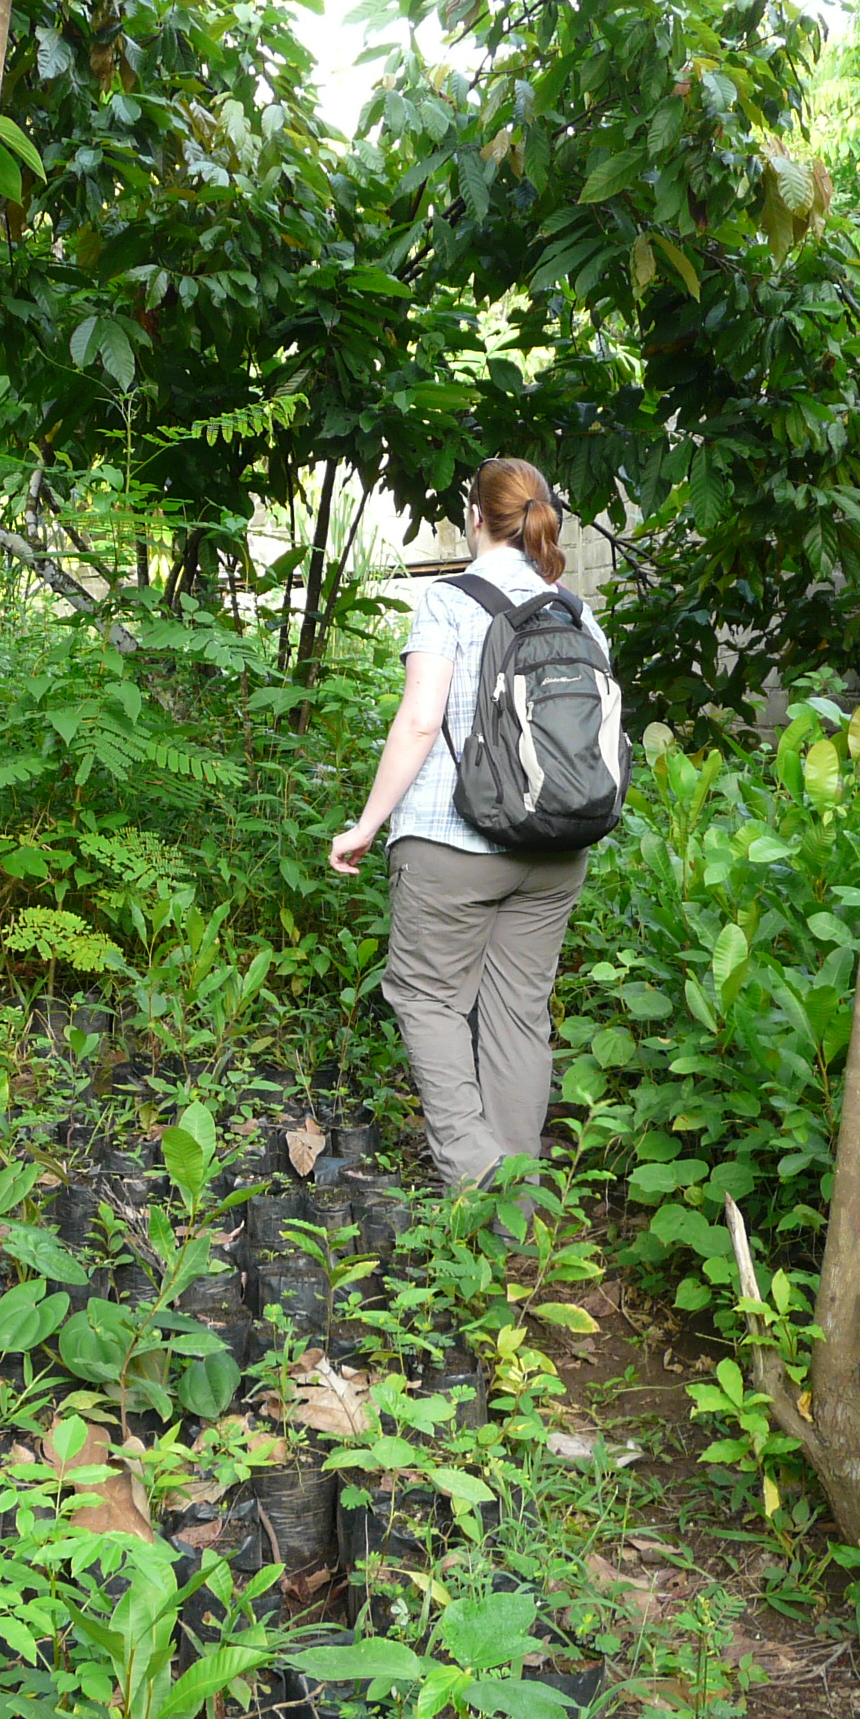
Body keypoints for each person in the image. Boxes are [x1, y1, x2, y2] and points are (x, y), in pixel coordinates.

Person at [327, 456, 611, 1194]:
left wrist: (367, 823)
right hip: (559, 844)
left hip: (453, 842)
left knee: (426, 997)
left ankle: (478, 1175)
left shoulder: (449, 600)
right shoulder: (577, 612)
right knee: (519, 1016)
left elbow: (421, 721)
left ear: (475, 517)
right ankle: (517, 1207)